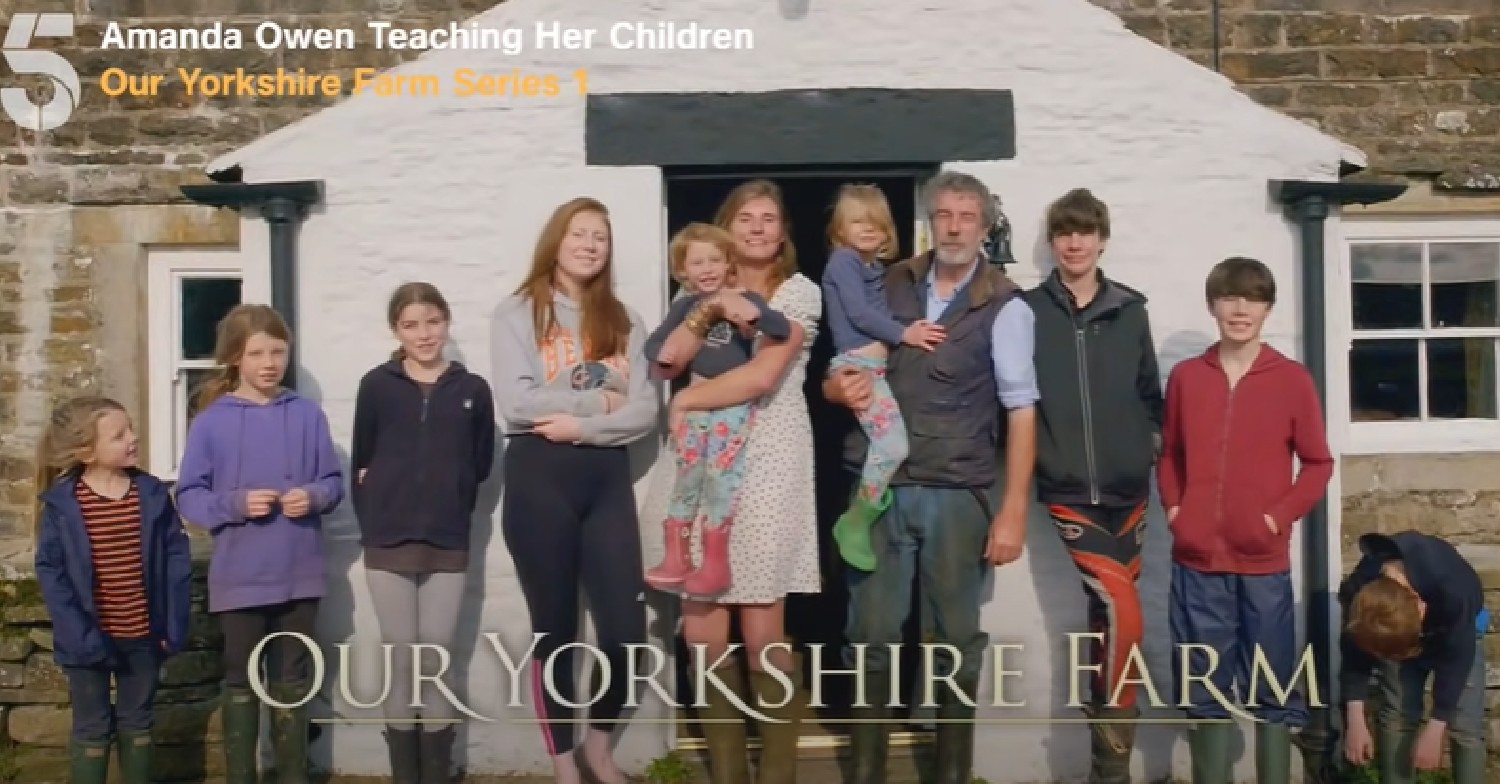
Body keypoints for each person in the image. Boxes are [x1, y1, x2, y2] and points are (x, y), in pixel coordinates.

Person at [823, 171, 1038, 784]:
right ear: (928, 221)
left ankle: (950, 772)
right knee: (868, 635)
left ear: (985, 226)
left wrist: (1012, 511)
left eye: (967, 216)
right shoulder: (887, 280)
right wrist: (834, 388)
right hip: (879, 486)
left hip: (956, 491)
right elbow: (841, 360)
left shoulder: (1005, 304)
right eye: (943, 214)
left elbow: (1021, 411)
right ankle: (866, 772)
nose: (954, 227)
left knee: (954, 639)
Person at [648, 179, 821, 784]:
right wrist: (708, 306)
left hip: (769, 456)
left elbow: (762, 375)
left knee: (761, 622)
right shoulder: (696, 286)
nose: (757, 228)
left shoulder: (799, 292)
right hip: (700, 457)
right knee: (701, 621)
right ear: (725, 227)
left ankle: (776, 773)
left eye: (769, 218)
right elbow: (667, 359)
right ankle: (726, 772)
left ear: (783, 231)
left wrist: (688, 397)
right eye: (745, 218)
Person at [491, 197, 659, 784]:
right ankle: (564, 764)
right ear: (556, 241)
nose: (589, 245)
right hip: (539, 478)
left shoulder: (626, 320)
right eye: (579, 234)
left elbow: (644, 411)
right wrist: (598, 402)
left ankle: (598, 748)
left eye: (600, 237)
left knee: (625, 633)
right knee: (556, 630)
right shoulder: (517, 313)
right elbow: (517, 403)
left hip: (605, 479)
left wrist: (581, 425)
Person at [1155, 257, 1335, 784]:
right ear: (1213, 305)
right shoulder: (1187, 378)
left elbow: (1318, 464)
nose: (1240, 309)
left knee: (1272, 685)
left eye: (1252, 299)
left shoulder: (1292, 380)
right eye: (1229, 298)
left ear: (1267, 309)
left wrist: (1276, 519)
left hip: (1262, 561)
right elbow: (1170, 455)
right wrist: (1176, 509)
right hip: (1196, 562)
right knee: (1203, 685)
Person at [1022, 188, 1162, 784]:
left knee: (1105, 621)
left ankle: (1107, 769)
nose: (1074, 242)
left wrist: (1145, 447)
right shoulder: (1027, 311)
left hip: (1129, 490)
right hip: (1067, 489)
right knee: (1123, 610)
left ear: (1102, 240)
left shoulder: (1131, 309)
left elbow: (1150, 394)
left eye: (1085, 232)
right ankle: (1113, 768)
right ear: (1053, 241)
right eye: (1064, 232)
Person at [175, 303, 345, 784]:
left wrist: (313, 497)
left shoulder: (307, 415)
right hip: (241, 576)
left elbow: (332, 483)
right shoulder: (212, 422)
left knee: (292, 678)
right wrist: (234, 504)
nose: (270, 363)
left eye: (278, 352)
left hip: (299, 573)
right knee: (242, 680)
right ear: (235, 357)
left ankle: (291, 774)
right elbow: (189, 495)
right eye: (257, 353)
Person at [352, 282, 495, 783]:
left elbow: (480, 463)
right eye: (411, 325)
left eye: (433, 321)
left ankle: (436, 771)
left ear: (447, 322)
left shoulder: (472, 390)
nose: (424, 333)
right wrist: (377, 509)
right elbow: (362, 458)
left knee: (435, 658)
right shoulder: (376, 385)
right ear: (396, 330)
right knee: (401, 656)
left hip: (447, 539)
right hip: (388, 540)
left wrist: (450, 492)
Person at [33, 396, 193, 784]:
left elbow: (176, 562)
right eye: (119, 435)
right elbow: (52, 574)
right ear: (86, 451)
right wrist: (79, 636)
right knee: (92, 727)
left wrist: (173, 625)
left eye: (131, 429)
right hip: (86, 640)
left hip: (143, 636)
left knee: (138, 723)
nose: (132, 439)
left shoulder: (151, 494)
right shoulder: (63, 505)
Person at [642, 222, 792, 598]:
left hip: (731, 402)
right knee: (688, 471)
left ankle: (714, 564)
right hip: (697, 398)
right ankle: (676, 557)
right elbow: (654, 344)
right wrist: (663, 354)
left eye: (714, 260)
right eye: (697, 263)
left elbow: (781, 328)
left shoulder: (745, 297)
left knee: (720, 474)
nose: (707, 269)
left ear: (728, 263)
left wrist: (754, 316)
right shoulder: (684, 306)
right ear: (683, 270)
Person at [820, 183, 945, 571]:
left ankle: (859, 518)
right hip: (857, 367)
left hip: (873, 368)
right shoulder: (843, 261)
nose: (868, 229)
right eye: (858, 221)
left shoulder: (871, 268)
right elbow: (859, 313)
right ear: (840, 229)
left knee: (890, 444)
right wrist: (906, 334)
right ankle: (856, 521)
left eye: (876, 223)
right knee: (892, 446)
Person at [1339, 531, 1486, 784]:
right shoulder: (1360, 590)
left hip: (1458, 633)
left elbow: (1457, 660)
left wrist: (1436, 727)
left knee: (1465, 726)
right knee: (1398, 717)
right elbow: (1355, 650)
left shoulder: (1453, 588)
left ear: (1420, 604)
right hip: (1398, 633)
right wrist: (1355, 720)